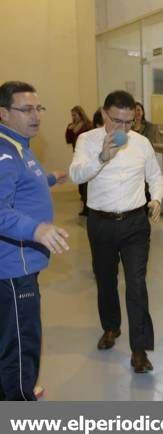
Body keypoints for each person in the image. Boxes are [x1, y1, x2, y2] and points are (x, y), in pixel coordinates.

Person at [69, 90, 163, 374]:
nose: (124, 128)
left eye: (129, 122)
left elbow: (155, 177)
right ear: (103, 113)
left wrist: (157, 198)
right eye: (117, 121)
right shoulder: (87, 141)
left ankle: (139, 349)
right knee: (106, 279)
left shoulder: (142, 143)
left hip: (136, 223)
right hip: (100, 222)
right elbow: (76, 175)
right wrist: (101, 157)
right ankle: (111, 327)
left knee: (136, 284)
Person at [0, 81, 70, 400]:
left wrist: (54, 177)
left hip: (24, 264)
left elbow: (29, 180)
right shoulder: (4, 153)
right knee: (21, 343)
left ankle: (18, 388)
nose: (36, 115)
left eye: (38, 108)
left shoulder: (20, 146)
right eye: (26, 109)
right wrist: (37, 229)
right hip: (15, 267)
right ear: (3, 113)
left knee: (12, 338)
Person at [65, 106, 93, 216]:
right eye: (72, 115)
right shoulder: (72, 126)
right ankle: (84, 206)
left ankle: (88, 207)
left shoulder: (88, 125)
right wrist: (69, 129)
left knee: (86, 183)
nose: (73, 117)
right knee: (81, 184)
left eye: (74, 115)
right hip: (77, 155)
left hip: (87, 156)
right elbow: (68, 140)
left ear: (80, 114)